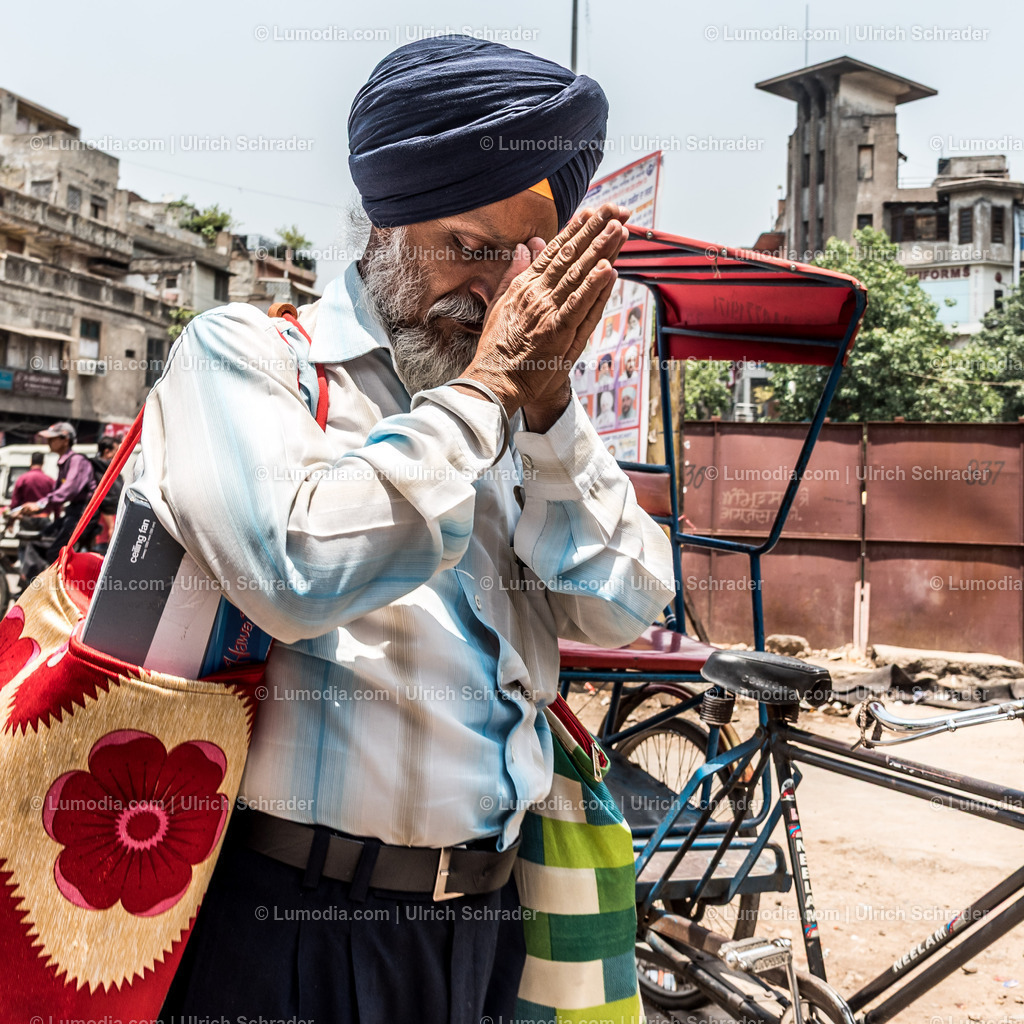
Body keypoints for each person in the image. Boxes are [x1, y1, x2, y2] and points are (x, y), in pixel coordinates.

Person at [149, 35, 673, 1023]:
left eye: (525, 259)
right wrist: (484, 396)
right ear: (386, 227)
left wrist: (551, 411)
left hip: (489, 927)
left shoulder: (521, 398)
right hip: (296, 928)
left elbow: (618, 608)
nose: (500, 291)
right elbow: (294, 572)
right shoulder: (254, 360)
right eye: (470, 248)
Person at [16, 421, 95, 578]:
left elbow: (69, 490)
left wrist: (40, 504)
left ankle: (60, 589)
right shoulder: (63, 462)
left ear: (65, 439)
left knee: (55, 552)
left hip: (83, 514)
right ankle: (31, 586)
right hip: (72, 513)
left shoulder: (77, 460)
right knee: (38, 539)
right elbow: (57, 494)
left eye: (53, 439)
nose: (49, 442)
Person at [81, 435, 123, 554]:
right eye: (116, 450)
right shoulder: (100, 466)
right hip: (107, 513)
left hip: (108, 512)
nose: (118, 453)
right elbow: (107, 494)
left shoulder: (99, 465)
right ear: (107, 451)